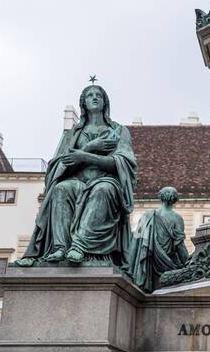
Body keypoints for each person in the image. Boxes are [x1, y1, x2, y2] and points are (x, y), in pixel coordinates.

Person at [14, 83, 138, 267]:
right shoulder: (73, 133)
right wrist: (89, 149)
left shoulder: (119, 131)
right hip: (77, 180)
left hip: (105, 180)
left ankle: (79, 246)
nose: (95, 97)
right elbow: (60, 165)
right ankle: (60, 248)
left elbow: (121, 163)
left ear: (105, 103)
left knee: (102, 190)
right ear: (84, 104)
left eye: (99, 95)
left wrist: (84, 156)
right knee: (61, 189)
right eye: (90, 95)